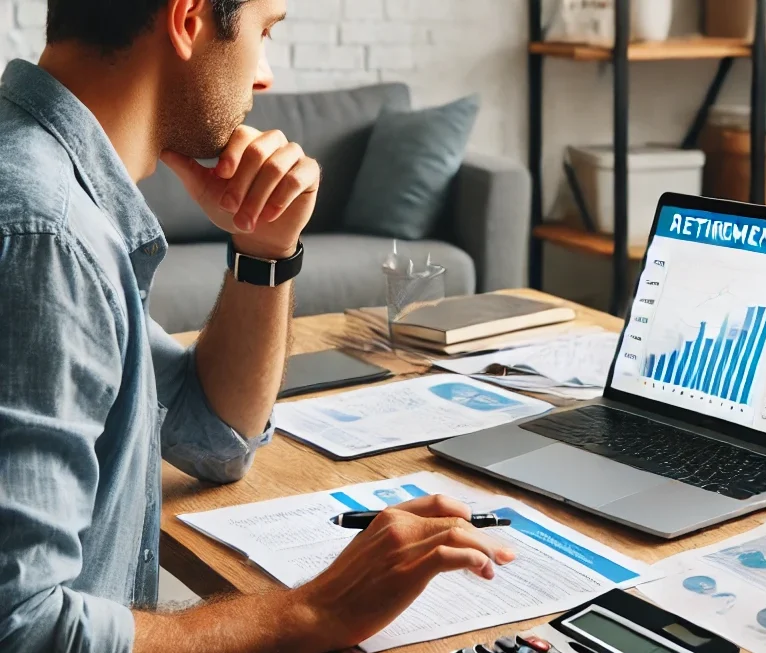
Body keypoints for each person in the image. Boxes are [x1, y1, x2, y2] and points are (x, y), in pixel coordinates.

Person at [0, 0, 515, 651]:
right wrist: (313, 611)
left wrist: (264, 248)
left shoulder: (51, 190)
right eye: (264, 30)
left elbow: (213, 434)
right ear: (188, 21)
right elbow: (23, 630)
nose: (265, 74)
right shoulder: (47, 235)